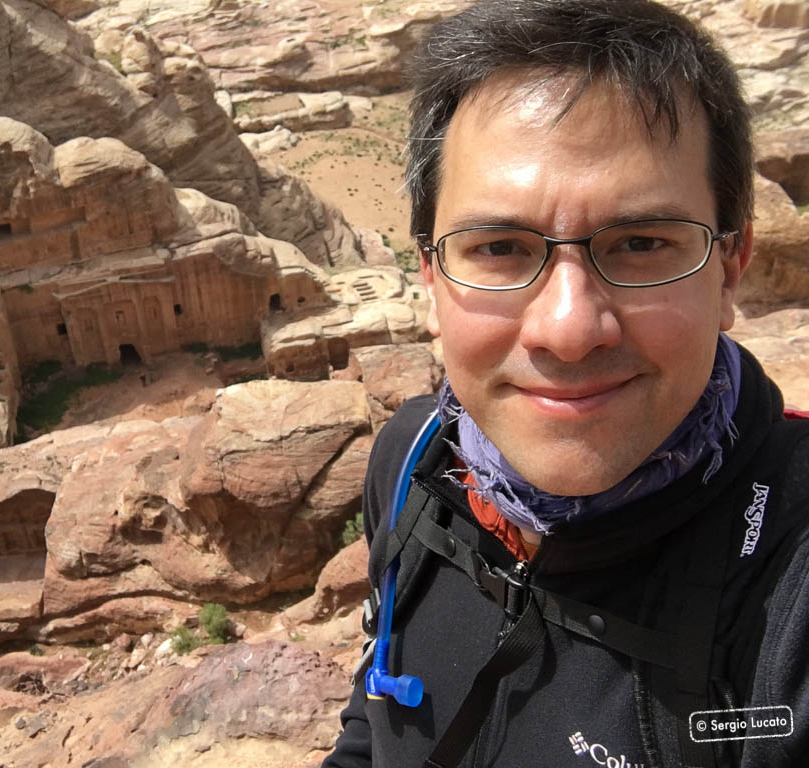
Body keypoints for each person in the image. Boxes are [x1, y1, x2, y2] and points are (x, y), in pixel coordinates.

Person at [321, 1, 809, 766]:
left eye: (641, 243)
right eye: (499, 248)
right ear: (430, 275)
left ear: (731, 265)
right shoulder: (412, 462)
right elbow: (374, 723)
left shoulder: (791, 578)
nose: (570, 328)